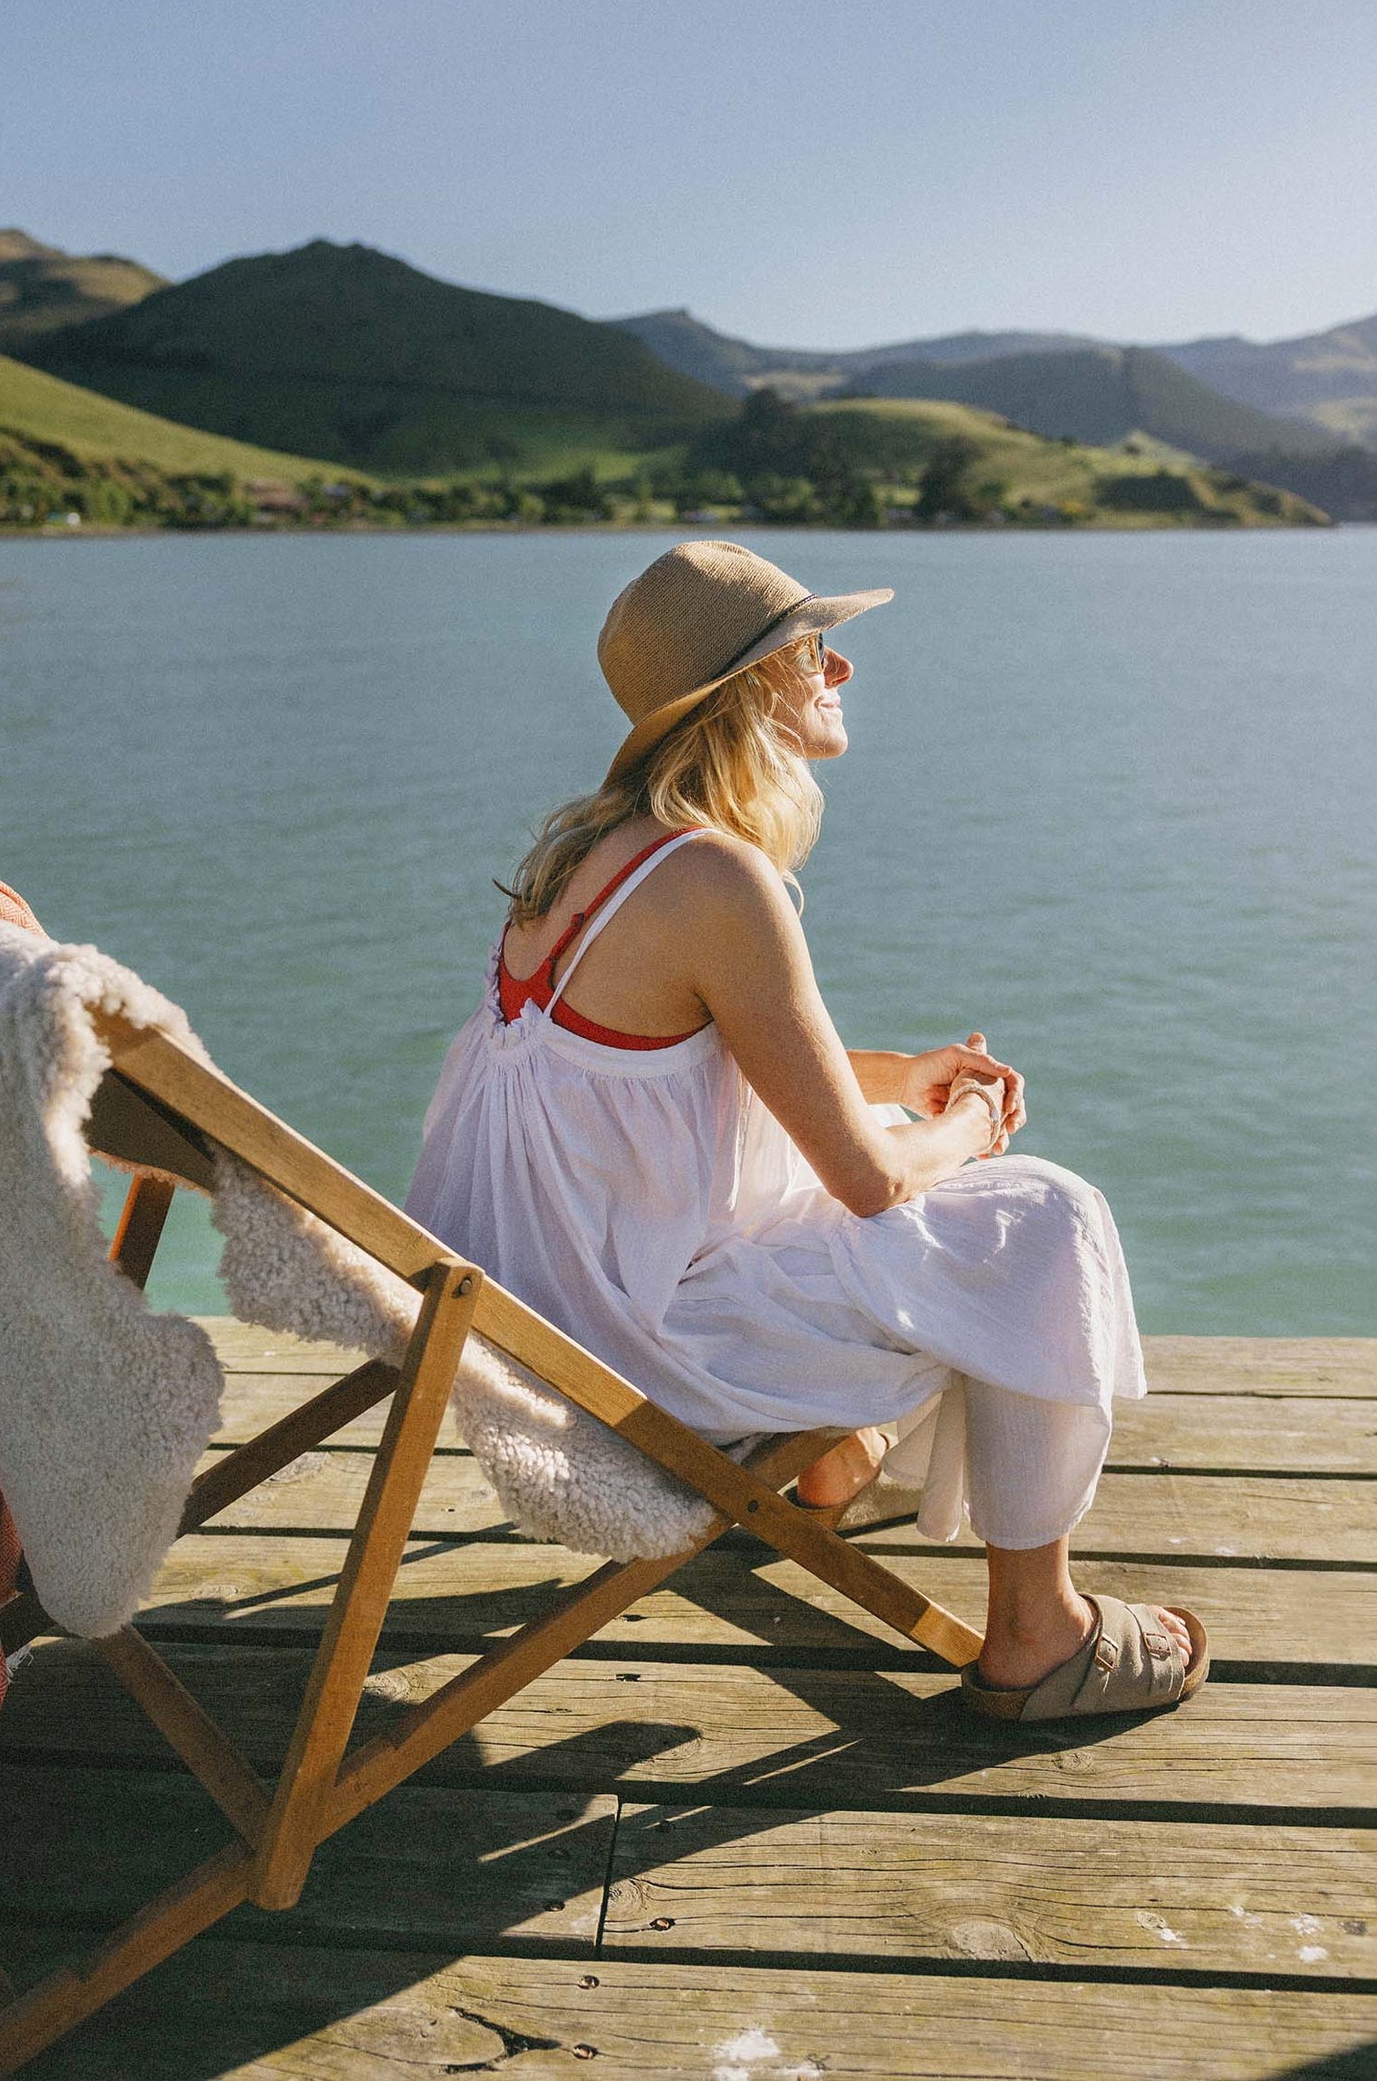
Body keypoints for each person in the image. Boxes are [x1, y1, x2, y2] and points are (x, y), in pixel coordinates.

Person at [411, 541, 1206, 1721]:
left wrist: (903, 1077)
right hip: (635, 1369)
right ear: (742, 690)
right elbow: (874, 1181)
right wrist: (973, 1122)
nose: (839, 663)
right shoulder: (716, 878)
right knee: (1044, 1217)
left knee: (904, 1139)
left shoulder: (592, 856)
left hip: (544, 1327)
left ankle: (828, 1465)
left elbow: (676, 1063)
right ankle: (1040, 1631)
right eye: (808, 647)